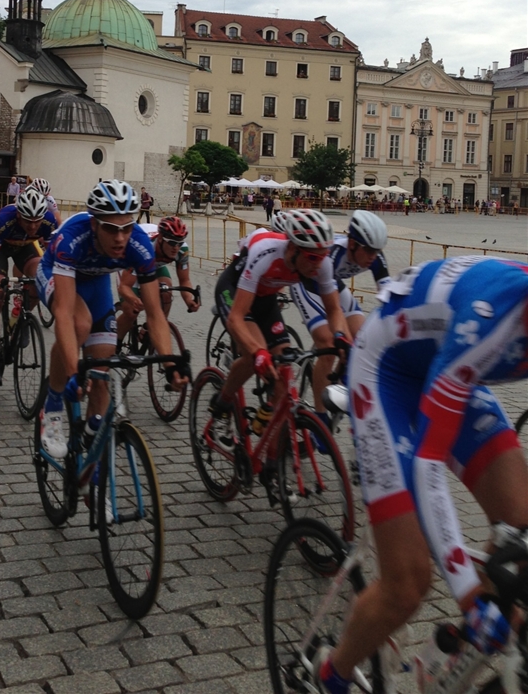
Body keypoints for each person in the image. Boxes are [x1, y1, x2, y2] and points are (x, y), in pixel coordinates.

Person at [314, 256, 528, 694]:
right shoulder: (493, 319)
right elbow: (428, 463)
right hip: (386, 370)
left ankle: (448, 663)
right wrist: (468, 592)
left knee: (521, 527)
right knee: (409, 583)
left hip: (447, 366)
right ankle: (329, 673)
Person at [35, 179, 188, 459]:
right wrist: (72, 373)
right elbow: (64, 315)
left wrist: (169, 364)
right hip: (58, 276)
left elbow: (154, 314)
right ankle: (53, 403)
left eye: (127, 228)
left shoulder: (139, 245)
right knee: (80, 324)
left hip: (96, 285)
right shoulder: (72, 237)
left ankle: (94, 467)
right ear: (95, 225)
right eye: (111, 229)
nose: (120, 238)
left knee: (102, 368)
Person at [211, 209, 351, 504]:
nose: (319, 264)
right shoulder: (266, 252)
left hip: (266, 299)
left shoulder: (319, 263)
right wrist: (258, 353)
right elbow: (237, 318)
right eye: (312, 257)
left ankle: (272, 466)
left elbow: (335, 310)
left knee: (284, 368)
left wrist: (339, 336)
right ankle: (222, 403)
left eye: (323, 255)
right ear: (293, 248)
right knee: (254, 356)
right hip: (235, 292)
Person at [289, 209, 389, 420]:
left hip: (333, 286)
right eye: (369, 250)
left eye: (377, 251)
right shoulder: (334, 254)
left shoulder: (376, 257)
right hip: (308, 285)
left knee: (362, 340)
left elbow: (388, 299)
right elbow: (334, 310)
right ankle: (320, 415)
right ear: (352, 243)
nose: (373, 257)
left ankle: (342, 383)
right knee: (329, 345)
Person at [0, 188, 56, 387]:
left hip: (27, 249)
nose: (32, 226)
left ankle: (19, 319)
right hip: (1, 249)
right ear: (19, 215)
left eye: (36, 221)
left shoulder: (48, 221)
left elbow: (53, 259)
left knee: (40, 280)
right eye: (27, 220)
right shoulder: (4, 219)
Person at [116, 215, 200, 345]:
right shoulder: (143, 246)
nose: (176, 248)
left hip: (155, 265)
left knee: (166, 292)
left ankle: (152, 328)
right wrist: (134, 299)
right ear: (160, 239)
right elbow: (124, 287)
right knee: (131, 311)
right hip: (133, 263)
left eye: (179, 242)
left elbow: (184, 280)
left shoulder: (182, 251)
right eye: (171, 243)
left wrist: (189, 300)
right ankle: (115, 344)